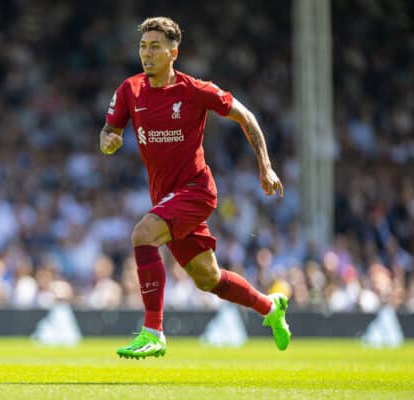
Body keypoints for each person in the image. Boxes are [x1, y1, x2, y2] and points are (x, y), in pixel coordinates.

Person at [100, 16, 291, 359]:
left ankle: (153, 331)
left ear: (174, 52)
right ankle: (269, 307)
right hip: (167, 198)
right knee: (208, 279)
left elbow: (246, 117)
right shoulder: (129, 90)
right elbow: (107, 131)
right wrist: (109, 140)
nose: (147, 53)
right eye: (143, 46)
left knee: (142, 235)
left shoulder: (194, 91)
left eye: (155, 46)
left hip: (196, 191)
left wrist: (265, 165)